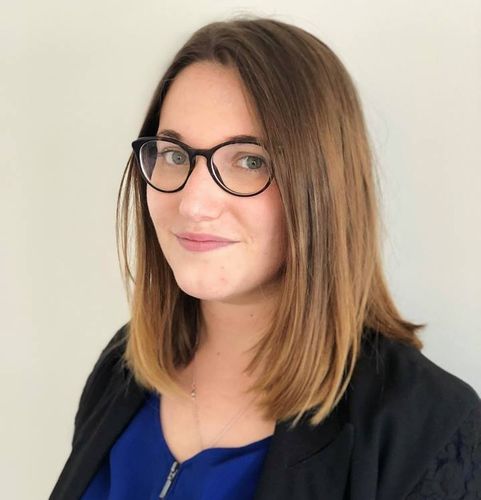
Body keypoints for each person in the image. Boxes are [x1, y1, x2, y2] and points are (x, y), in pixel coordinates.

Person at [50, 17, 481, 500]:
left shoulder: (427, 430)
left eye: (251, 160)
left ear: (323, 187)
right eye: (174, 154)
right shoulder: (123, 367)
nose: (193, 203)